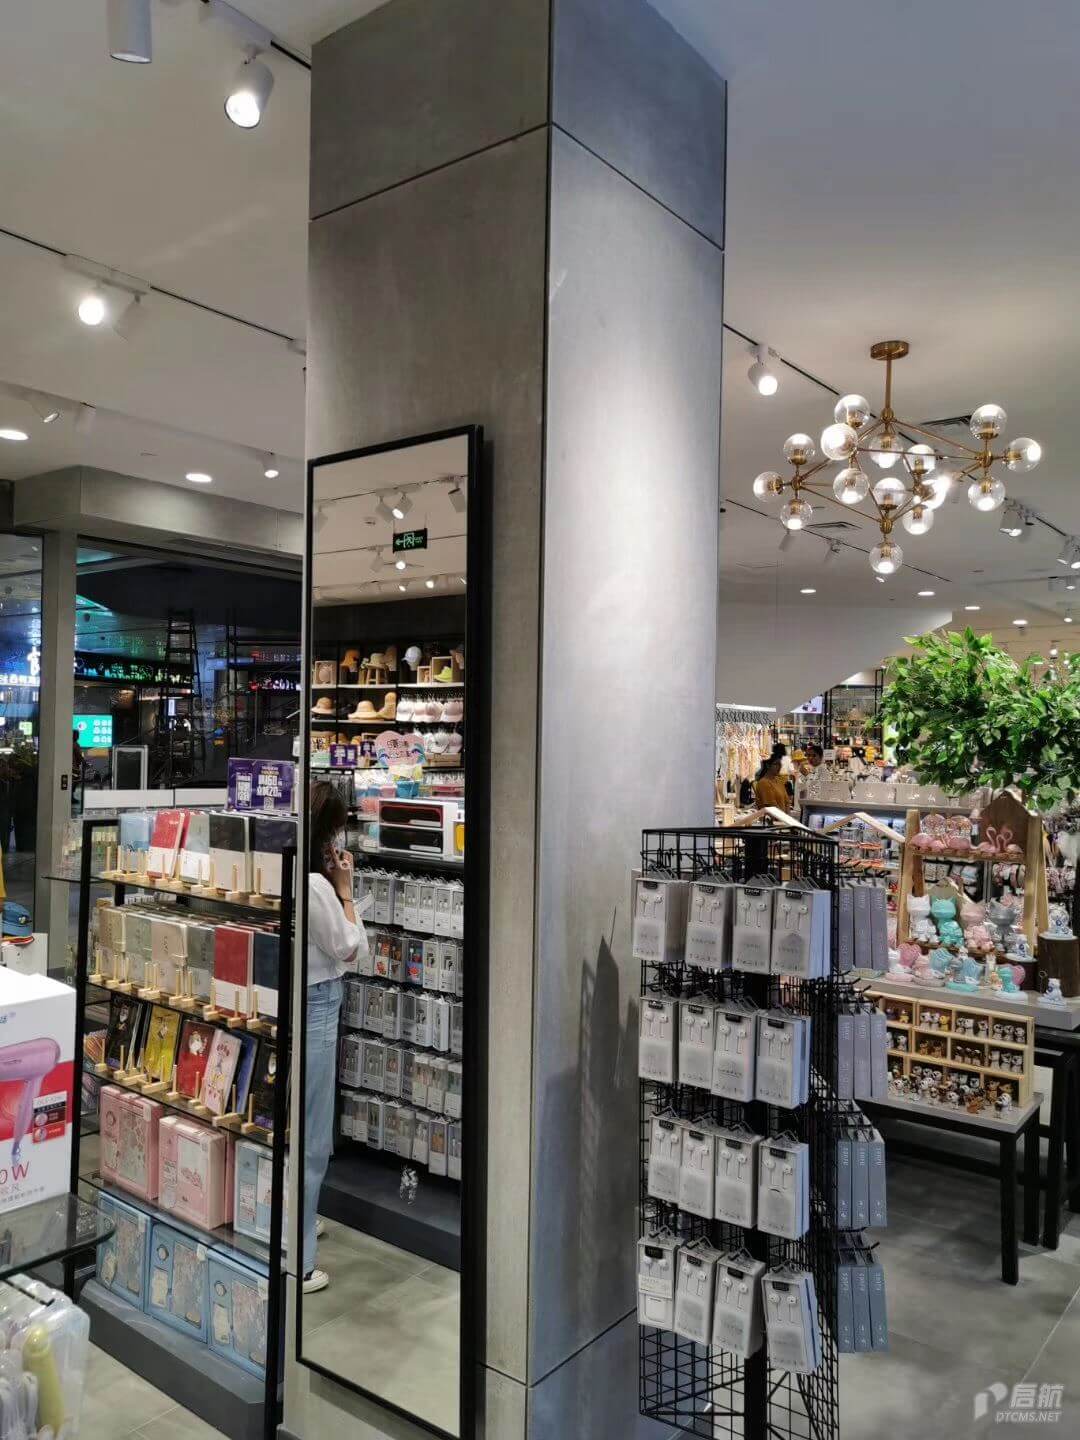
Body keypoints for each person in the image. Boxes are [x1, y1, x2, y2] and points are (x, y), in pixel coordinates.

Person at [304, 781, 368, 1294]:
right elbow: (349, 948)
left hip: (295, 1000)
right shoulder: (318, 888)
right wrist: (346, 892)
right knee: (313, 1132)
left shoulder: (290, 870)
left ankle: (299, 1218)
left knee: (298, 1120)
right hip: (318, 1002)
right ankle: (300, 1258)